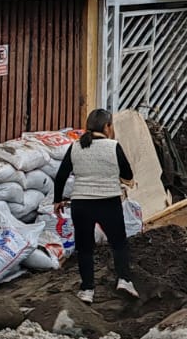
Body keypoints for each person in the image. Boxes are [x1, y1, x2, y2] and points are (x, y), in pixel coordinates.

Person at [52, 109, 138, 304]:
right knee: (118, 243)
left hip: (81, 204)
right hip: (108, 202)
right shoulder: (113, 146)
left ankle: (87, 290)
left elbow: (61, 176)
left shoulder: (75, 147)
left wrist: (58, 200)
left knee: (85, 248)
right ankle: (124, 280)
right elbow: (128, 174)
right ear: (107, 127)